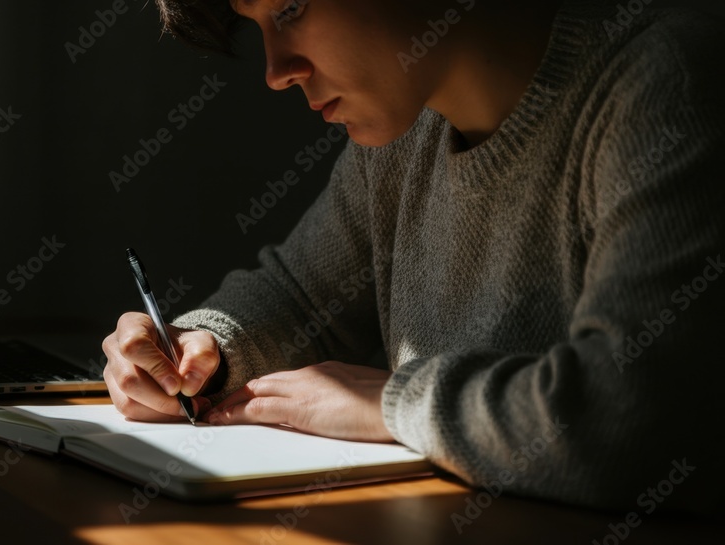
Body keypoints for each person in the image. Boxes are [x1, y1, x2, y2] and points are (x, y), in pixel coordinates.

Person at [102, 0, 725, 513]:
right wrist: (200, 349)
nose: (275, 70)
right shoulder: (406, 136)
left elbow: (626, 418)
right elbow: (299, 296)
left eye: (289, 8)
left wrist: (393, 403)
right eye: (257, 25)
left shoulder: (668, 81)